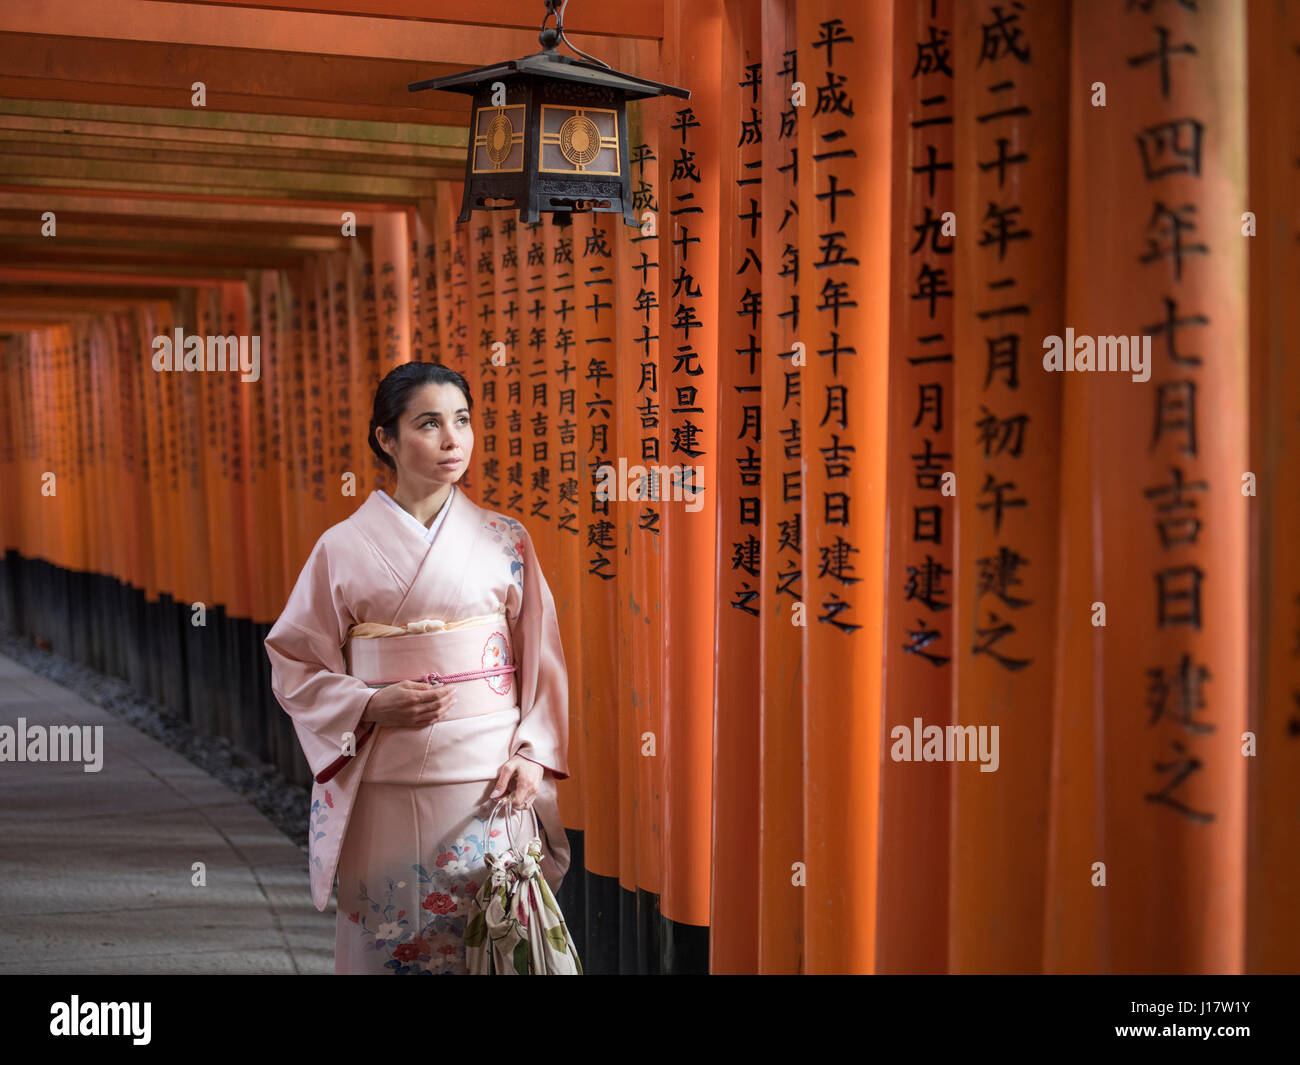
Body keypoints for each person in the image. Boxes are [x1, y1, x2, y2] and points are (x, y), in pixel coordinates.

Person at [264, 361, 571, 975]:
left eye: (461, 421)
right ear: (387, 438)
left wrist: (533, 753)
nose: (453, 440)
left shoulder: (505, 539)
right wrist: (369, 704)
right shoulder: (341, 547)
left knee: (488, 943)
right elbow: (294, 656)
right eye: (429, 424)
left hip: (487, 781)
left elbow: (541, 656)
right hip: (385, 775)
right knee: (392, 942)